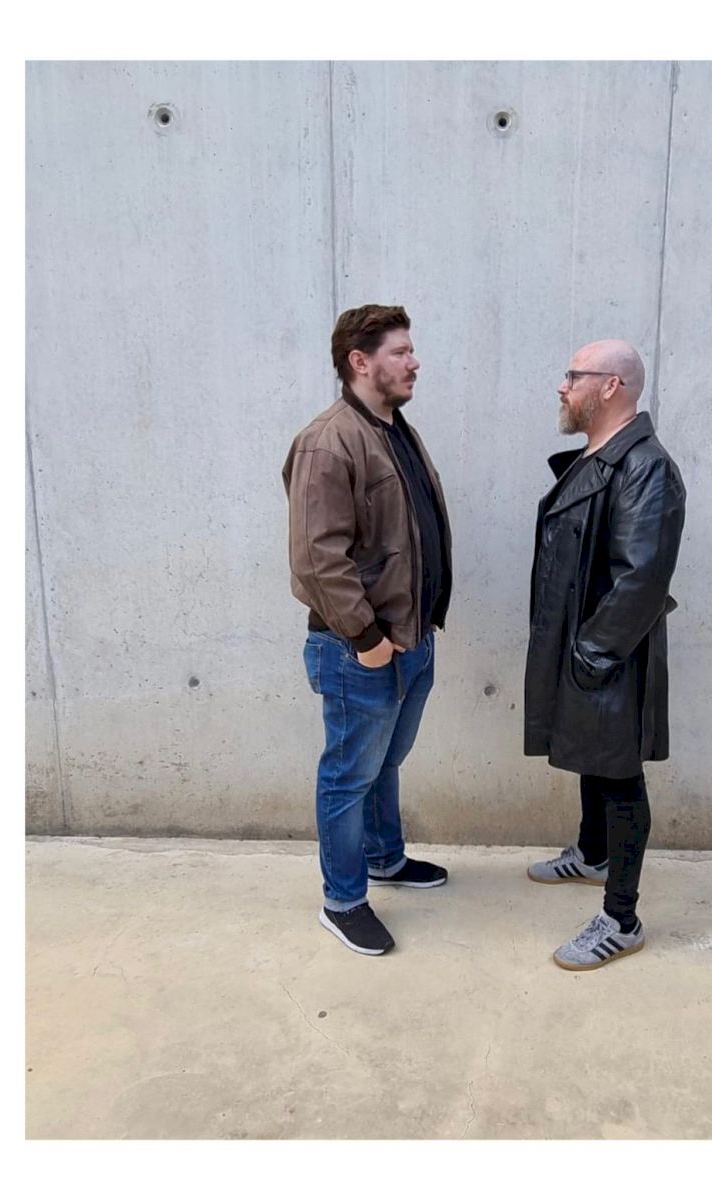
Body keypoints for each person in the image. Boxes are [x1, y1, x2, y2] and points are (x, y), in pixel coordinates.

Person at [282, 304, 452, 956]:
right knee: (348, 776)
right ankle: (343, 900)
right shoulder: (328, 441)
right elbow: (317, 558)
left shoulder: (394, 430)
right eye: (400, 352)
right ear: (360, 361)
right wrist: (367, 639)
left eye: (411, 350)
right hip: (360, 650)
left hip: (411, 640)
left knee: (385, 763)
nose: (414, 362)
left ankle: (384, 858)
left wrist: (411, 634)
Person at [524, 339, 686, 970]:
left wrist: (592, 653)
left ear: (611, 386)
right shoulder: (599, 457)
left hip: (608, 650)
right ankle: (592, 855)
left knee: (618, 776)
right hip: (583, 644)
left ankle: (621, 919)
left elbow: (641, 577)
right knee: (592, 758)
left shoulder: (645, 467)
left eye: (574, 375)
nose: (562, 386)